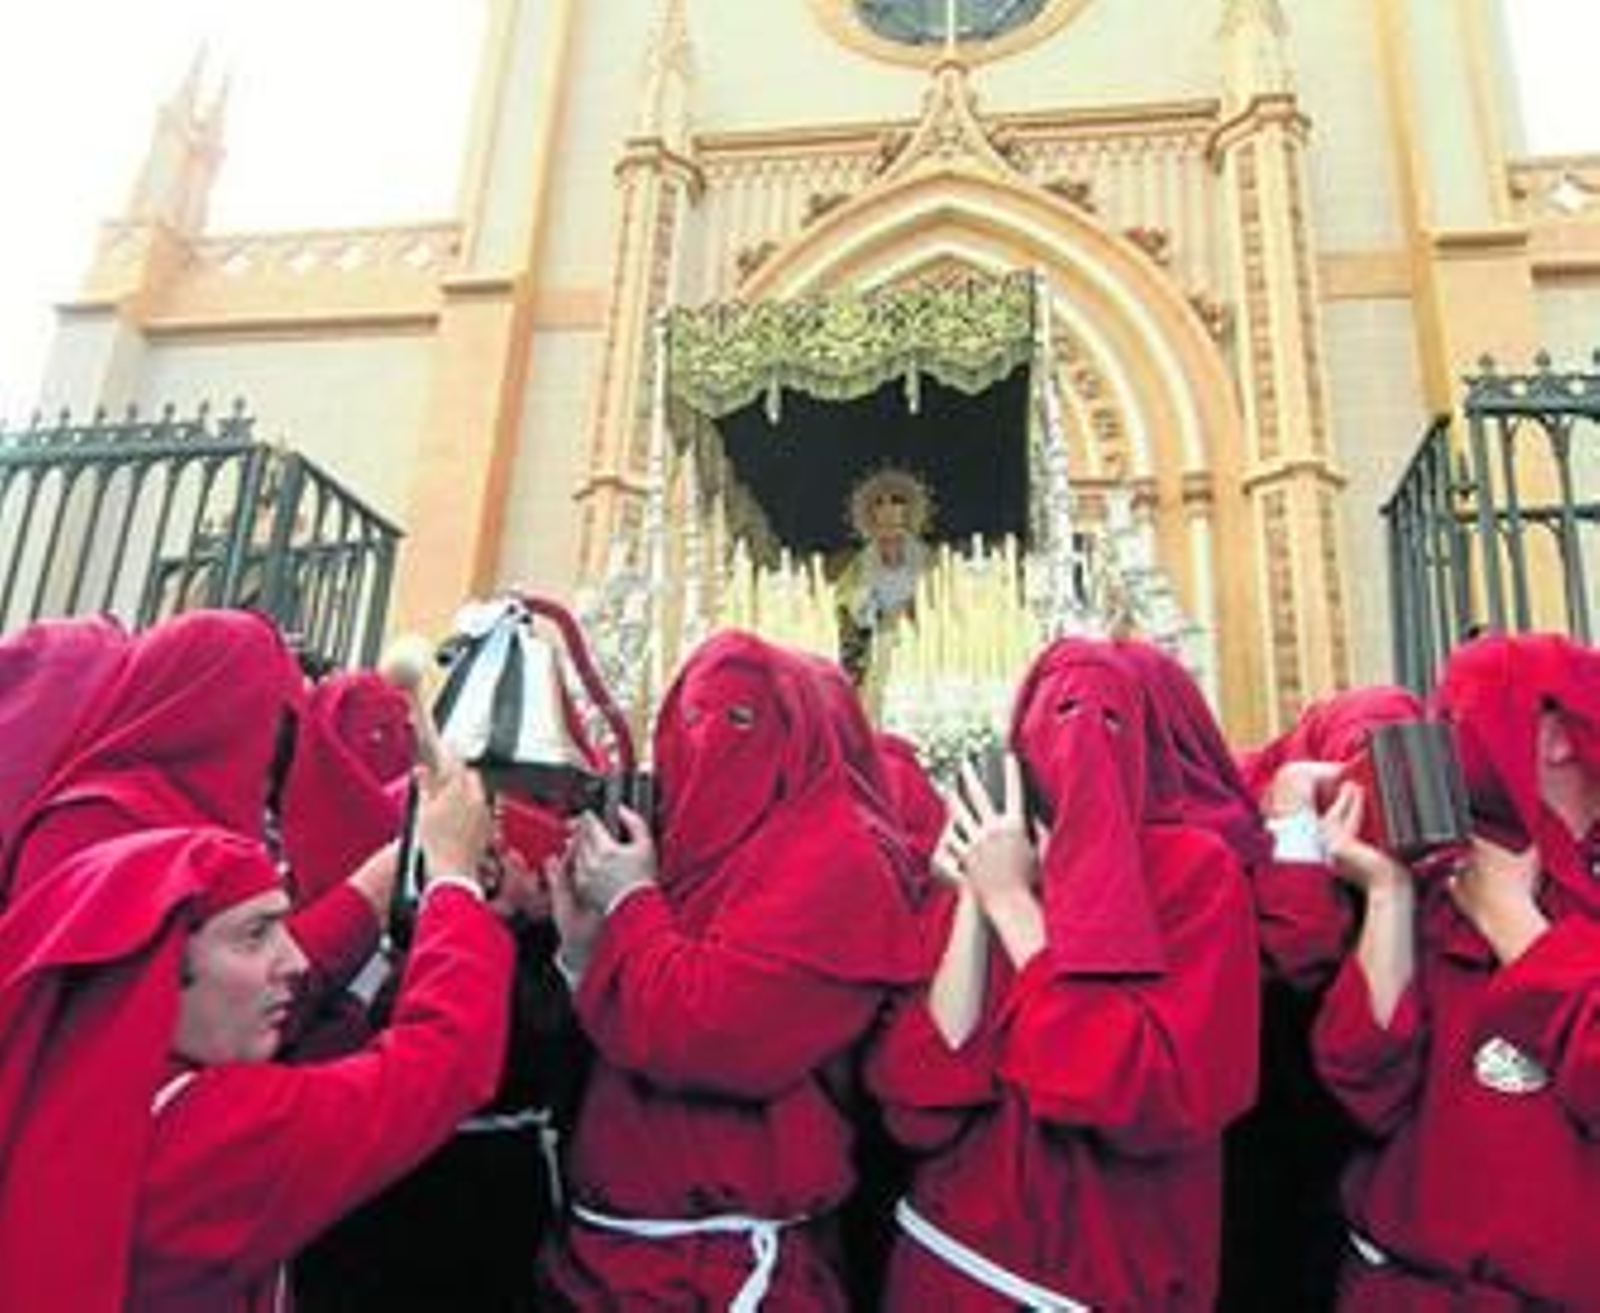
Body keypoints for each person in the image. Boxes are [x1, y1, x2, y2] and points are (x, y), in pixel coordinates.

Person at [0, 757, 523, 1312]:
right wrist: (454, 882)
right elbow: (439, 1064)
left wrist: (404, 862)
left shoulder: (64, 1079)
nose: (293, 961)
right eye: (256, 936)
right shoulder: (207, 1138)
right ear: (159, 975)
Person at [868, 637, 1259, 1309]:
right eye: (1062, 713)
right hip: (956, 1266)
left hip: (1115, 1273)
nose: (1081, 742)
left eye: (1109, 719)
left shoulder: (1195, 873)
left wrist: (1014, 905)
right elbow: (922, 1096)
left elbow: (1146, 1096)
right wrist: (977, 896)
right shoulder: (996, 857)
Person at [546, 629, 927, 1309]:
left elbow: (709, 1032)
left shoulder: (835, 863)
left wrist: (631, 901)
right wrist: (584, 953)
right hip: (611, 1246)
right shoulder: (690, 847)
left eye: (743, 717)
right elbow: (629, 1033)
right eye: (693, 716)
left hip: (725, 1266)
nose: (711, 737)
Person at [1313, 633, 1600, 1307]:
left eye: (1474, 710)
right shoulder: (1443, 883)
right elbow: (1365, 1084)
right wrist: (1388, 892)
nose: (1452, 734)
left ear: (1562, 735)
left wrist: (1516, 926)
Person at [835, 467, 932, 696]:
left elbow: (940, 600)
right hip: (873, 656)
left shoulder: (926, 560)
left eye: (896, 501)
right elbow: (844, 605)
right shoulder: (859, 565)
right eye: (880, 503)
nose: (888, 509)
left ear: (908, 513)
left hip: (919, 656)